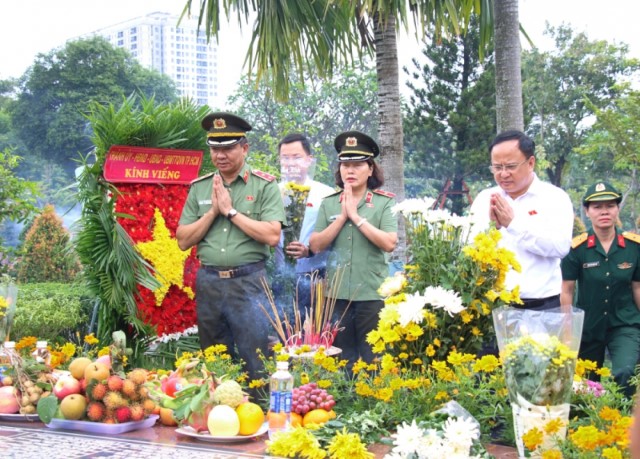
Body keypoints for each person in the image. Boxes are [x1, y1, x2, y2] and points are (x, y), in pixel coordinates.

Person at [176, 112, 286, 383]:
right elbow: (183, 239)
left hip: (248, 282)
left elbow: (272, 235)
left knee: (255, 356)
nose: (220, 155)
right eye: (215, 148)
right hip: (210, 282)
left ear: (244, 148)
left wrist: (231, 211)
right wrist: (214, 211)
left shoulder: (264, 186)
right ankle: (217, 415)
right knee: (214, 356)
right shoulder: (201, 188)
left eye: (227, 148)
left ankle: (257, 415)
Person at [309, 131, 398, 368]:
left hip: (371, 293)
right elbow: (316, 245)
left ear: (370, 169)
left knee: (373, 360)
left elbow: (389, 242)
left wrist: (357, 217)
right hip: (336, 296)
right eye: (345, 164)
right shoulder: (329, 203)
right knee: (339, 360)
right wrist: (341, 218)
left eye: (358, 164)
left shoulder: (384, 202)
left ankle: (373, 404)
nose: (350, 170)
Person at [469, 130, 574, 310]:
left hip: (542, 306)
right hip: (493, 305)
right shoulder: (484, 198)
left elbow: (560, 247)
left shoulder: (554, 198)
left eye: (510, 166)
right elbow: (469, 248)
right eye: (497, 167)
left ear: (531, 163)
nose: (503, 174)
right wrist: (490, 230)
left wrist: (513, 224)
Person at [560, 182, 640, 397]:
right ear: (587, 211)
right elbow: (567, 290)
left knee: (625, 372)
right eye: (597, 207)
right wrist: (569, 333)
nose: (604, 211)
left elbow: (637, 288)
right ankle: (590, 427)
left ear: (617, 209)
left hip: (624, 324)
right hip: (588, 327)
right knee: (585, 386)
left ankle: (625, 424)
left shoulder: (634, 247)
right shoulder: (576, 249)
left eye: (610, 205)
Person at [275, 133, 335, 311]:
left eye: (296, 157)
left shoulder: (325, 193)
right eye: (285, 158)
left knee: (313, 332)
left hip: (315, 277)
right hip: (280, 276)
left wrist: (309, 250)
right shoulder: (272, 192)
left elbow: (334, 235)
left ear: (309, 160)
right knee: (283, 331)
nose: (290, 163)